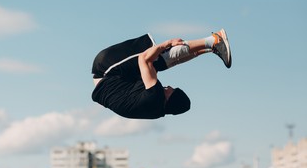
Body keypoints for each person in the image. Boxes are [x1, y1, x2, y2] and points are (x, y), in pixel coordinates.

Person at [91, 29, 231, 119]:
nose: (169, 86)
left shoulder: (155, 96)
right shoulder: (156, 111)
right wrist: (203, 51)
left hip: (105, 69)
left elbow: (143, 59)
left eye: (172, 89)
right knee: (159, 64)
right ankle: (211, 47)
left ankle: (214, 40)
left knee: (155, 58)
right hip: (115, 82)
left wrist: (167, 43)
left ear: (171, 98)